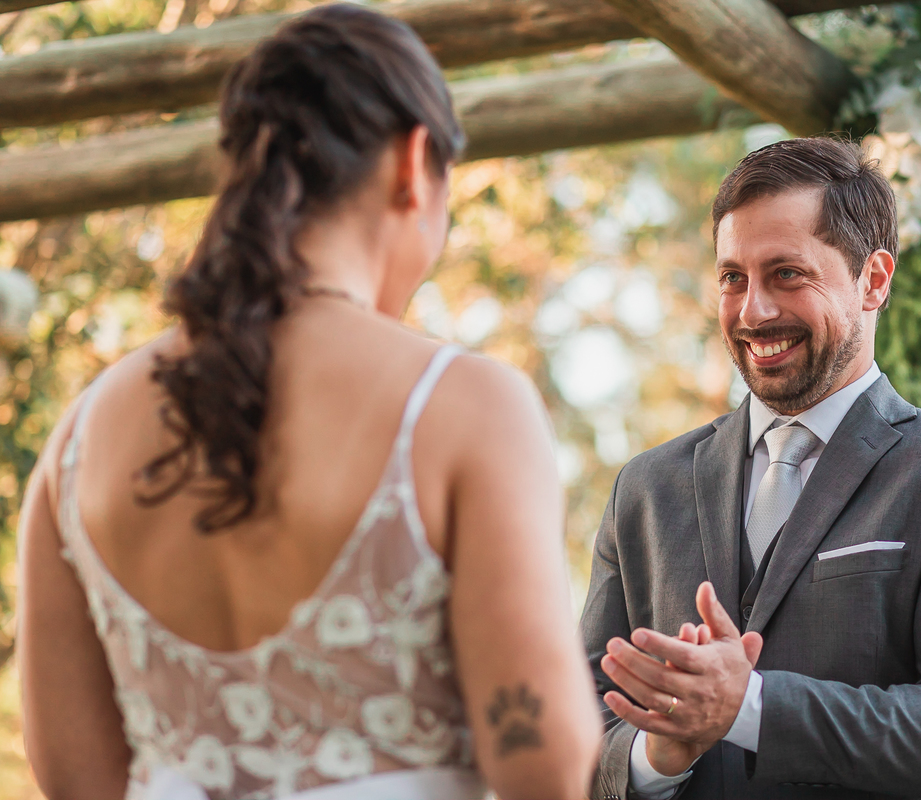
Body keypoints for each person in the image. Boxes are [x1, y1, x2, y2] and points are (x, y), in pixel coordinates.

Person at [17, 5, 600, 799]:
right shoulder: (464, 405)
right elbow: (546, 765)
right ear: (413, 162)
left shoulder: (78, 439)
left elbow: (76, 781)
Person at [581, 136, 921, 800]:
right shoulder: (645, 489)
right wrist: (657, 756)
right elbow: (576, 737)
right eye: (733, 277)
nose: (753, 311)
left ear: (873, 280)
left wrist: (751, 708)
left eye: (785, 274)